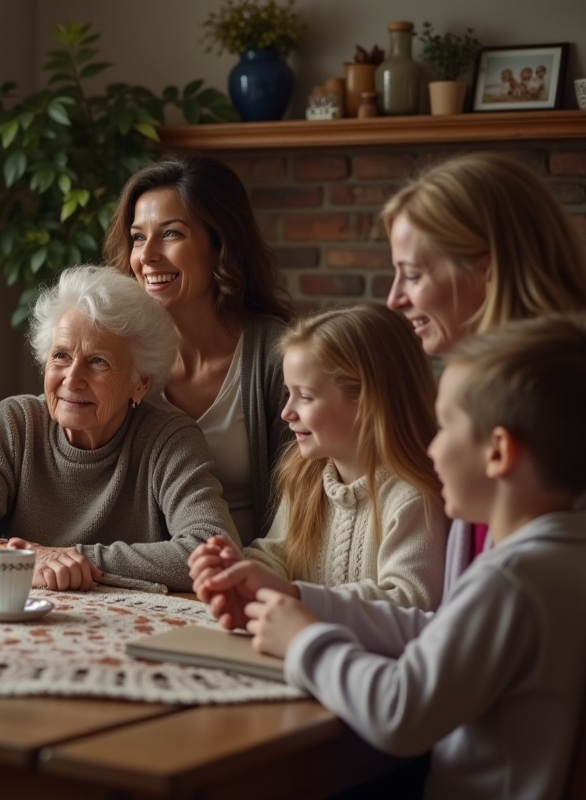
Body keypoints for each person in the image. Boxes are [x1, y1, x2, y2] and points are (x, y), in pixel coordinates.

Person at [238, 315, 586, 799]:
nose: (432, 446)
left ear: (499, 453)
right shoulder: (560, 557)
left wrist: (305, 642)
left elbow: (400, 710)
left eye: (444, 428)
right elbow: (434, 631)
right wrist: (301, 598)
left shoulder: (509, 580)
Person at [0, 266, 239, 593]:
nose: (71, 379)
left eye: (98, 361)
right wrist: (20, 559)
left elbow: (216, 551)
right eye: (61, 356)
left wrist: (72, 560)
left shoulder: (169, 439)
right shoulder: (18, 424)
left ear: (140, 383)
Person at [382, 151, 586, 591]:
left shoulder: (564, 413)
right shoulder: (487, 395)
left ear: (488, 272)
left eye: (412, 275)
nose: (394, 299)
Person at [189, 304, 448, 610]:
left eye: (306, 397)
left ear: (368, 402)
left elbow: (409, 600)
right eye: (288, 394)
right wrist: (238, 571)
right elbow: (274, 558)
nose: (286, 412)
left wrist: (295, 597)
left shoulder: (410, 499)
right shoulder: (304, 478)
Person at [104, 156, 293, 546]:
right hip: (139, 573)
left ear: (220, 243)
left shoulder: (277, 356)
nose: (147, 255)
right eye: (138, 237)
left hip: (250, 577)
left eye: (171, 234)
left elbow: (303, 502)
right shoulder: (120, 351)